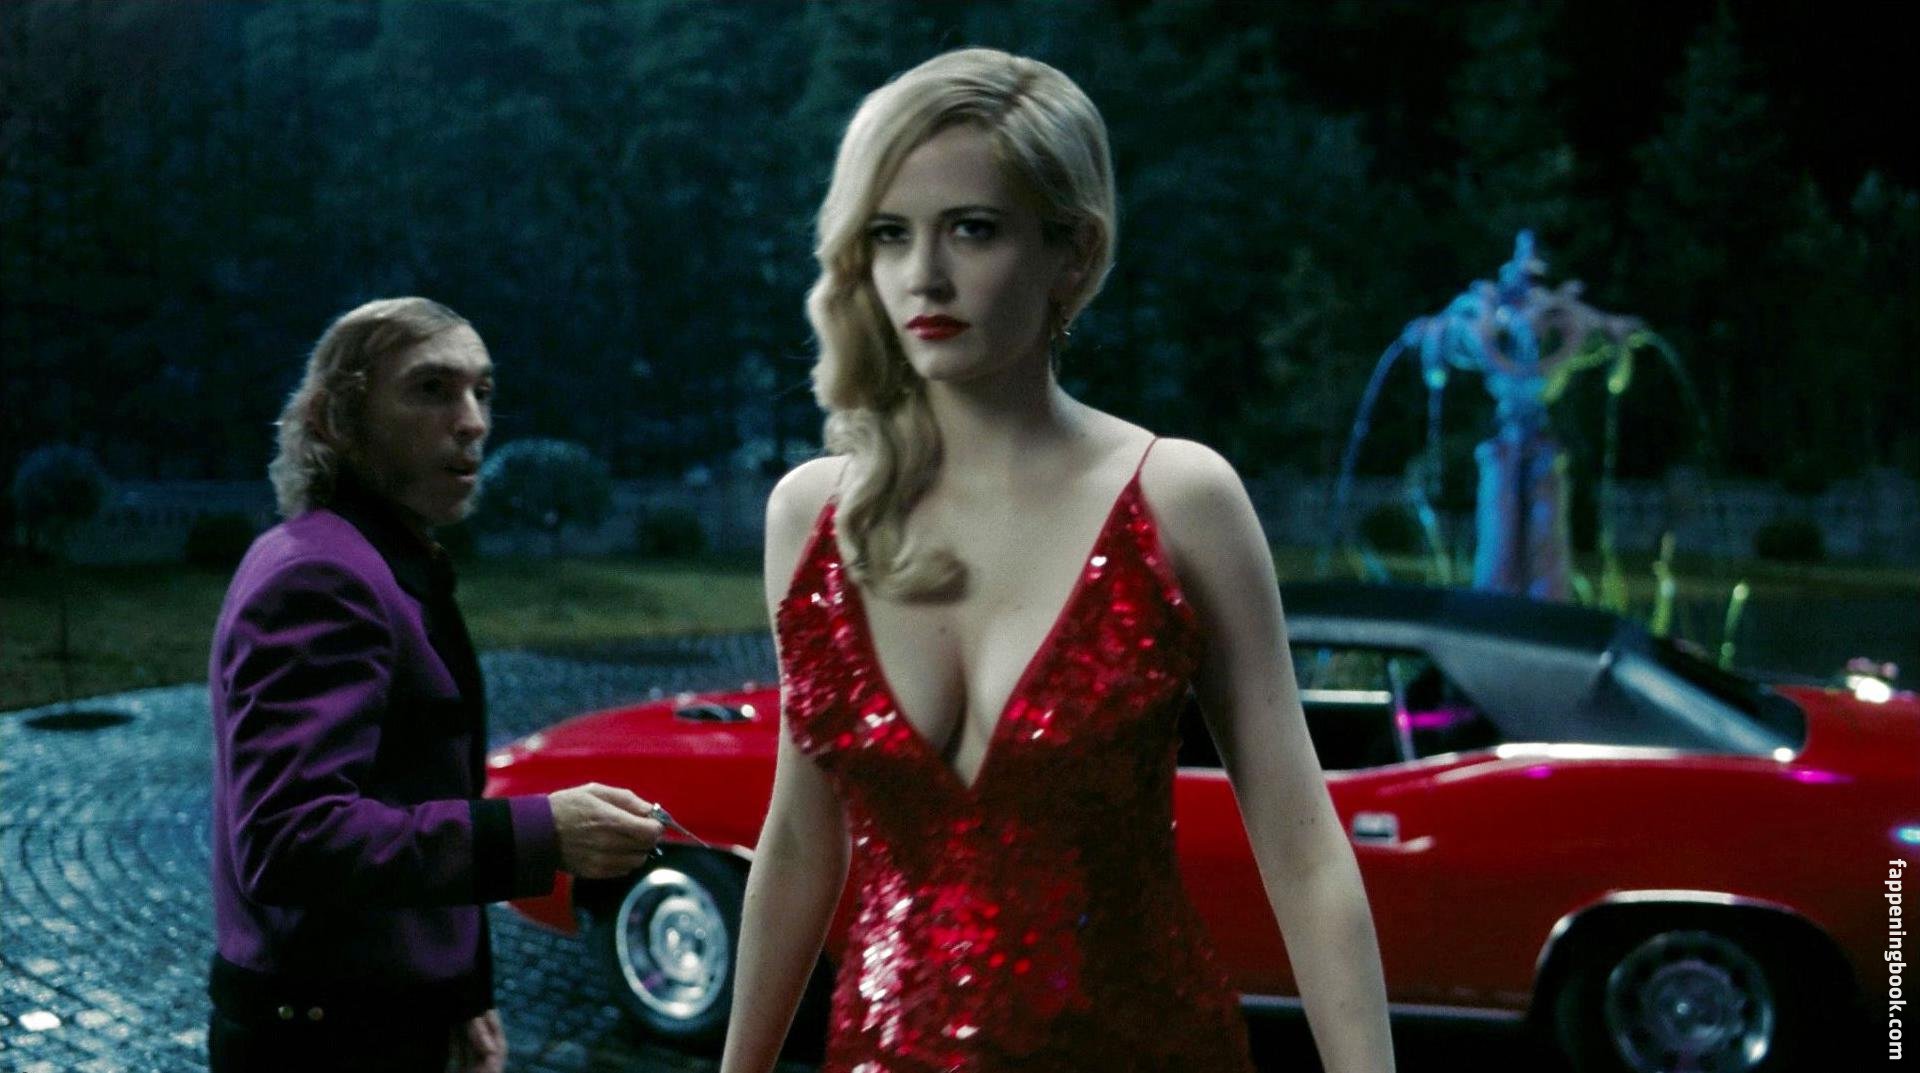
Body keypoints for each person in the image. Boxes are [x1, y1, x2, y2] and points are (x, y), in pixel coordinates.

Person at [721, 48, 1396, 1073]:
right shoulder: (810, 517)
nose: (924, 275)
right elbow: (803, 840)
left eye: (972, 228)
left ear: (1071, 254)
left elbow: (1302, 852)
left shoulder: (1180, 500)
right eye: (890, 233)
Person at [207, 297, 664, 1072]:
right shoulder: (321, 574)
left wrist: (457, 989)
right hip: (326, 1045)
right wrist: (545, 832)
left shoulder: (373, 554)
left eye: (482, 392)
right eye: (431, 389)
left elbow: (411, 790)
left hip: (383, 1018)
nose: (473, 421)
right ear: (336, 419)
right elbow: (290, 839)